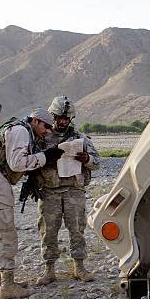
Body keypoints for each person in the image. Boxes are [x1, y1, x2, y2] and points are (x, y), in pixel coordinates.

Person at [0, 108, 64, 299]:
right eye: (46, 126)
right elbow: (16, 164)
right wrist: (45, 157)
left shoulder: (17, 129)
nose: (47, 131)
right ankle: (7, 285)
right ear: (36, 121)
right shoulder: (21, 131)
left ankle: (0, 281)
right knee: (4, 234)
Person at [35, 96, 100, 286]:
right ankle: (49, 270)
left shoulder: (80, 138)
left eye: (66, 119)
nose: (62, 122)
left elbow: (97, 163)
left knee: (77, 229)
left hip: (74, 190)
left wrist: (86, 158)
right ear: (52, 117)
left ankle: (79, 267)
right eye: (58, 118)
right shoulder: (41, 138)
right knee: (48, 230)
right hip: (49, 191)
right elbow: (31, 162)